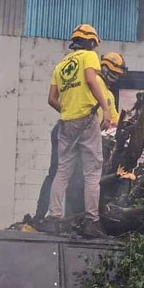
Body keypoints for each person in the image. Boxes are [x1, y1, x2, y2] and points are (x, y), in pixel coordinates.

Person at [37, 24, 113, 237]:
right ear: (90, 43)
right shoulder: (88, 56)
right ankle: (92, 221)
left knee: (63, 171)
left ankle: (53, 218)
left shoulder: (60, 65)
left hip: (66, 122)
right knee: (92, 171)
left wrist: (69, 110)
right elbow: (91, 80)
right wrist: (105, 109)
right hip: (87, 119)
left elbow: (51, 99)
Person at [33, 53, 126, 226]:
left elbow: (113, 119)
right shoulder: (94, 81)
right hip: (77, 130)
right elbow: (91, 115)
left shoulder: (109, 94)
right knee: (65, 174)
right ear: (104, 68)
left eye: (117, 75)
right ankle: (47, 217)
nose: (114, 78)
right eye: (113, 73)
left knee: (65, 173)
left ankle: (56, 217)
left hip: (75, 129)